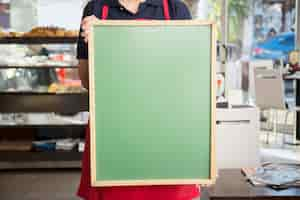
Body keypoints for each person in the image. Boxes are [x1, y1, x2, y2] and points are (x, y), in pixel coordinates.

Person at [77, 0, 200, 199]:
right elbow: (87, 81)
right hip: (114, 136)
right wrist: (98, 45)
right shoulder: (96, 9)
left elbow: (188, 78)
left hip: (167, 138)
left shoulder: (175, 10)